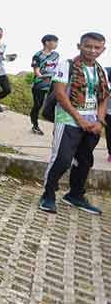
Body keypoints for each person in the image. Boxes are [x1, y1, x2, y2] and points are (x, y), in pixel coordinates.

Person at [39, 32, 109, 215]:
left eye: (97, 47)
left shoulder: (101, 71)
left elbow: (103, 98)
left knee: (85, 161)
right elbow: (61, 94)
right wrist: (79, 119)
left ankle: (75, 195)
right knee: (61, 159)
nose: (92, 50)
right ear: (80, 46)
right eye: (88, 46)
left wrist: (100, 122)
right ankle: (48, 195)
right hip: (68, 120)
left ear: (103, 49)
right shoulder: (67, 65)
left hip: (92, 124)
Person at [29, 35, 60, 135]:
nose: (56, 44)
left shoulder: (56, 55)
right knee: (38, 106)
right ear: (47, 42)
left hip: (53, 84)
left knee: (55, 106)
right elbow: (37, 72)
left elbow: (57, 69)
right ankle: (35, 125)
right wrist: (46, 77)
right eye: (54, 42)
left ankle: (58, 128)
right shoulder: (37, 56)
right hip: (39, 85)